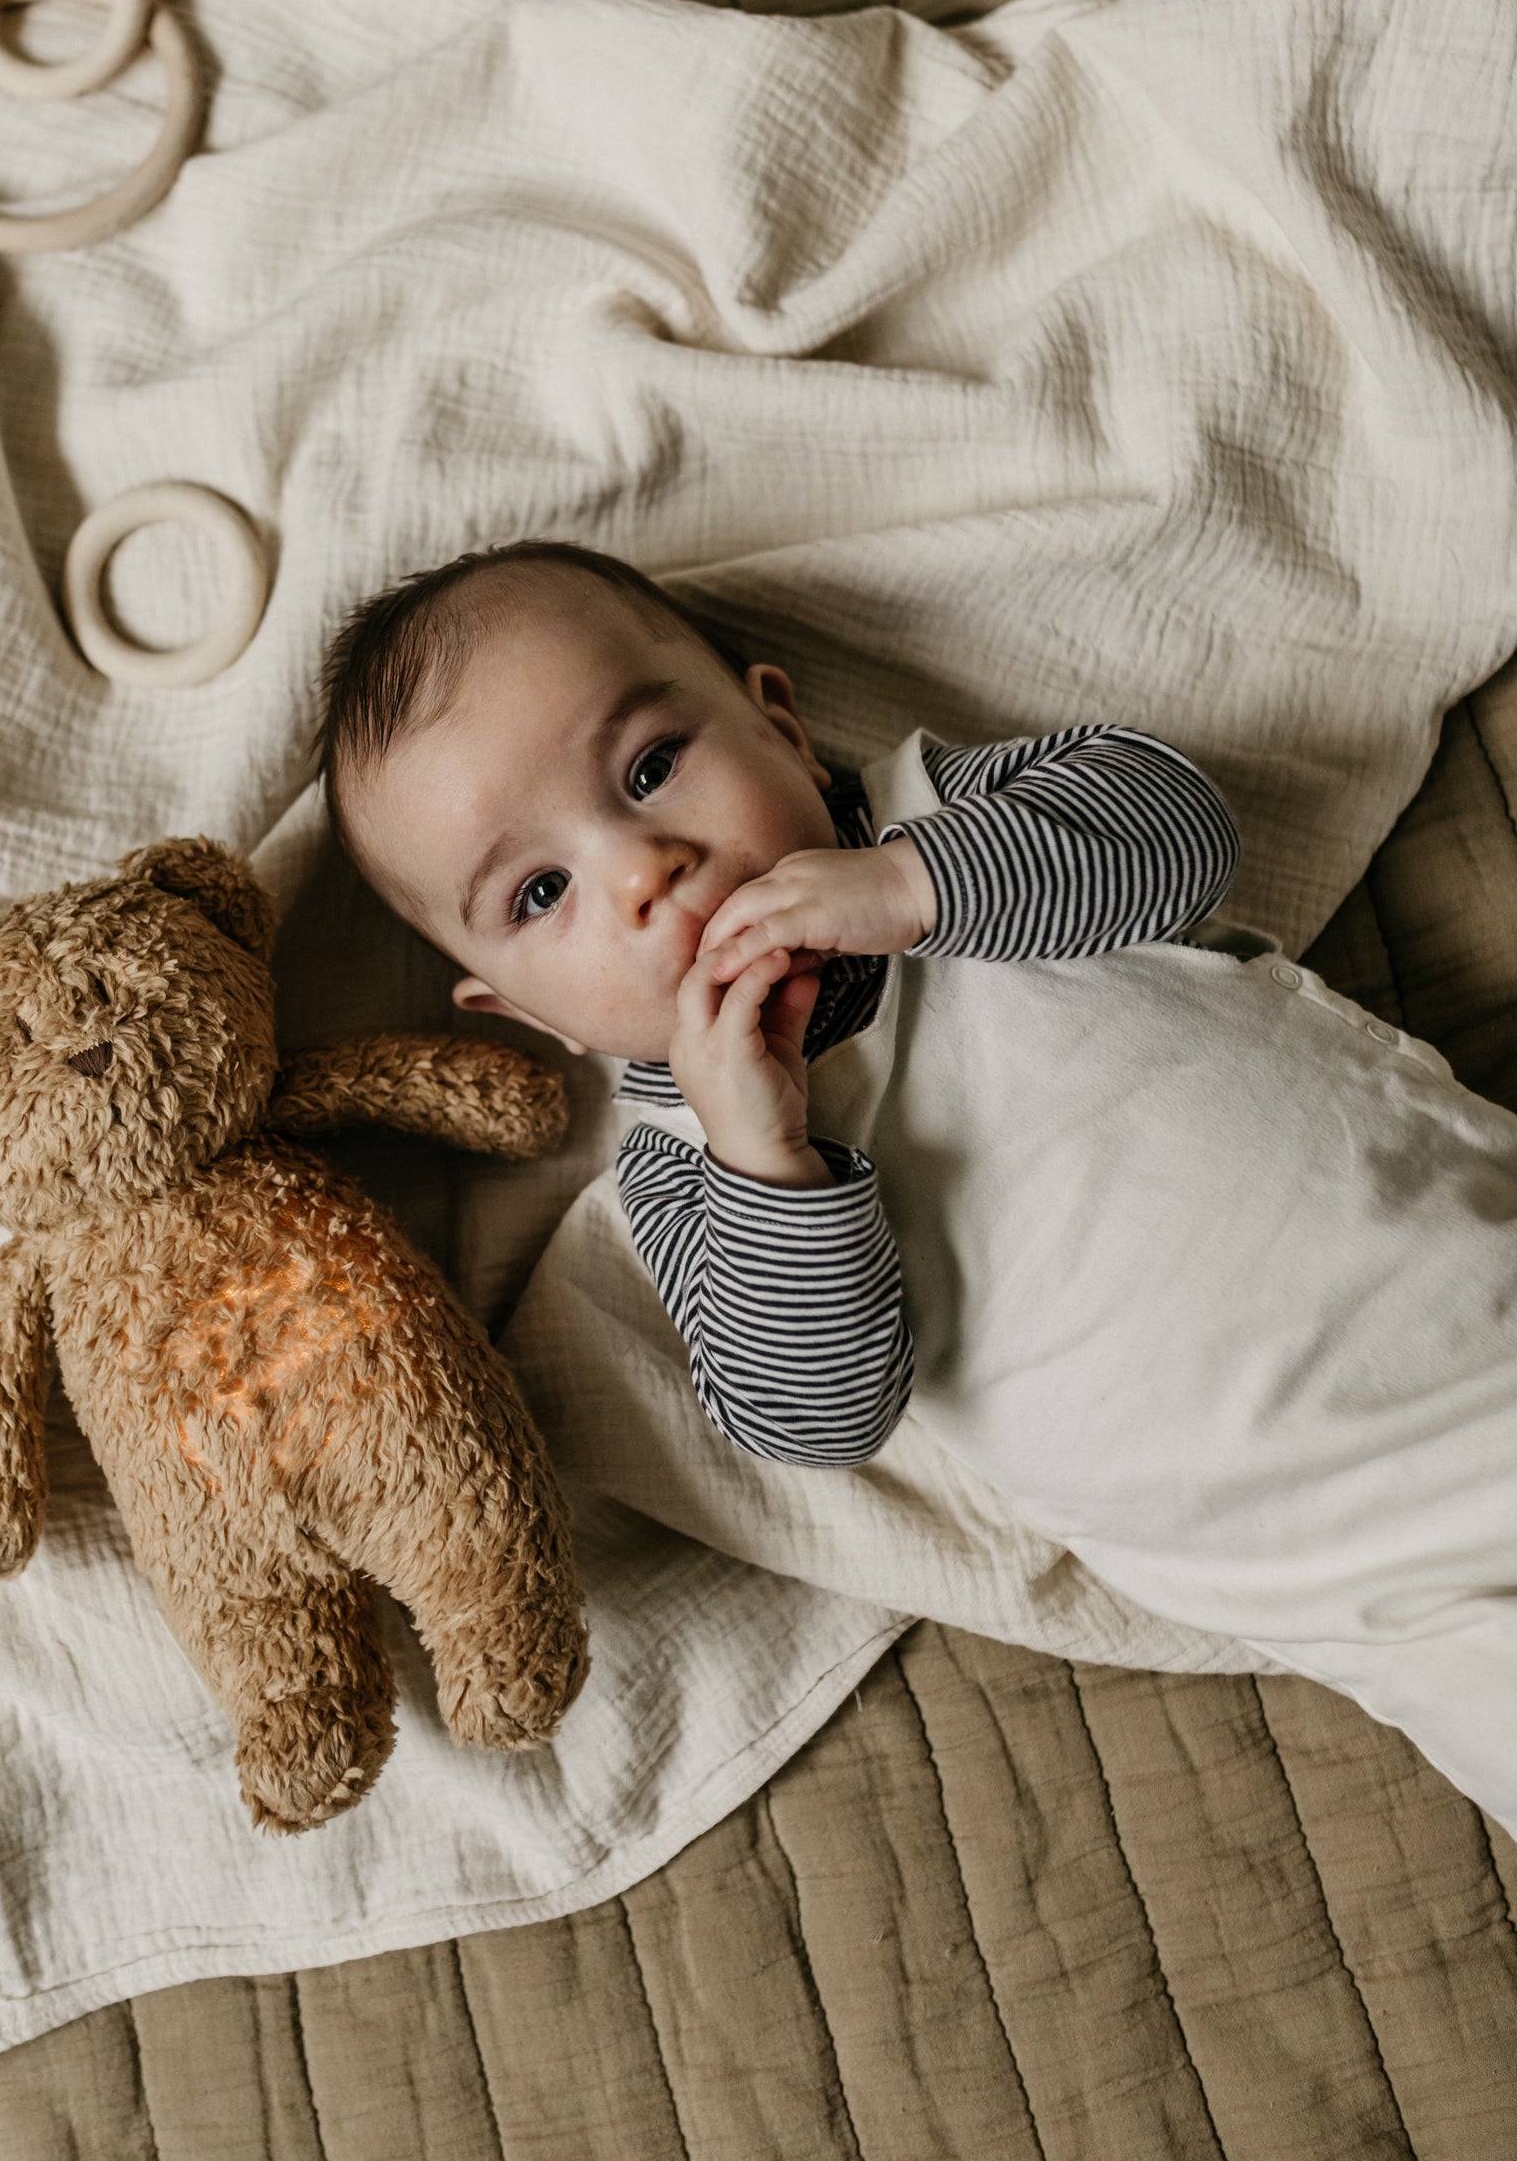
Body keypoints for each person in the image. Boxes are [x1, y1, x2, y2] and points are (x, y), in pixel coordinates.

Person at [315, 539, 1238, 1468]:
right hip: (1275, 1533)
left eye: (651, 767)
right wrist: (764, 1160)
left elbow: (1188, 827)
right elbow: (819, 1426)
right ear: (533, 1017)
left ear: (783, 732)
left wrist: (910, 885)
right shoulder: (690, 1167)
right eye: (543, 892)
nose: (643, 868)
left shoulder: (928, 818)